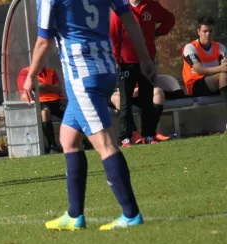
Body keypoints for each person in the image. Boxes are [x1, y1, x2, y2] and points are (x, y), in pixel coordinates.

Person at [25, 0, 157, 230]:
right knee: (68, 138)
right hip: (106, 68)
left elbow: (44, 41)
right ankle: (75, 215)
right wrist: (145, 58)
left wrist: (30, 76)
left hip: (82, 75)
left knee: (105, 143)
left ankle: (131, 214)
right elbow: (129, 18)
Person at [110, 0, 174, 147]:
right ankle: (125, 137)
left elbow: (170, 19)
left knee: (147, 100)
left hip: (147, 61)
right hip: (127, 63)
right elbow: (114, 35)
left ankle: (148, 135)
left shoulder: (151, 5)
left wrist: (157, 33)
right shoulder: (119, 7)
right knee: (125, 102)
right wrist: (116, 59)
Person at [17, 64, 64, 153]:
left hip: (55, 102)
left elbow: (58, 88)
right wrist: (48, 87)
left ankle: (82, 141)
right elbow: (28, 89)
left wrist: (45, 87)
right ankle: (52, 145)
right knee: (45, 112)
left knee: (72, 112)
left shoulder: (50, 71)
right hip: (37, 102)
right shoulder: (24, 73)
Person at [182, 16, 227, 105]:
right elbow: (199, 70)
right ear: (198, 32)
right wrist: (221, 68)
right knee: (223, 74)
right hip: (196, 85)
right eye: (205, 31)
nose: (208, 34)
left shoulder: (220, 47)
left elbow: (225, 64)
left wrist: (223, 68)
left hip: (214, 83)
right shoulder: (190, 48)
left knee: (224, 74)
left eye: (210, 31)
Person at [109, 79, 167, 147]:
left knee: (158, 91)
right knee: (117, 98)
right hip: (116, 93)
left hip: (137, 91)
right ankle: (133, 134)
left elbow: (150, 78)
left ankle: (150, 133)